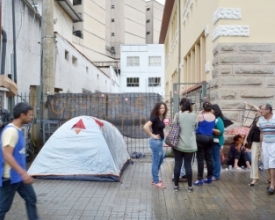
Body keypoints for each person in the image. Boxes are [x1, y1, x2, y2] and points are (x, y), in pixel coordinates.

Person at [0, 102, 39, 219]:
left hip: (19, 177)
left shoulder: (17, 130)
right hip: (10, 177)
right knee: (2, 208)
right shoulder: (11, 131)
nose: (31, 117)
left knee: (31, 198)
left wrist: (23, 174)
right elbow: (7, 155)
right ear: (22, 115)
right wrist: (23, 173)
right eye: (30, 114)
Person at [172, 98, 197, 192]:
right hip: (190, 145)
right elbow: (195, 127)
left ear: (181, 105)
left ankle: (176, 186)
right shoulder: (194, 115)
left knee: (177, 165)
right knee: (188, 166)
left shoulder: (177, 115)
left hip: (178, 144)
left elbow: (174, 125)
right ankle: (190, 187)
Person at [144, 102, 168, 189]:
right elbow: (145, 127)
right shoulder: (154, 117)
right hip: (155, 142)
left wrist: (162, 133)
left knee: (161, 158)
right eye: (161, 108)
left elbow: (158, 128)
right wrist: (152, 135)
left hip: (159, 141)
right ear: (157, 108)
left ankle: (155, 178)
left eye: (164, 108)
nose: (163, 109)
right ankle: (156, 181)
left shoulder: (160, 117)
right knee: (156, 161)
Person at [194, 102, 216, 186]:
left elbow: (196, 123)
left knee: (200, 159)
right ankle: (209, 177)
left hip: (201, 137)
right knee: (209, 158)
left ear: (203, 108)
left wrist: (200, 113)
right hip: (210, 137)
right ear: (210, 108)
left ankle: (200, 179)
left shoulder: (201, 116)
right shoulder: (213, 116)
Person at [258, 103, 275, 195]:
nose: (261, 110)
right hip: (265, 143)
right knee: (267, 163)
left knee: (273, 163)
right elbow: (261, 132)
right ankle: (273, 182)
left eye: (263, 109)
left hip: (274, 143)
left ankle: (272, 185)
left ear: (268, 110)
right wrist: (261, 144)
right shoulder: (261, 119)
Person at [243, 107, 262, 186]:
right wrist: (245, 139)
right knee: (254, 159)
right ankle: (255, 178)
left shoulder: (265, 120)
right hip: (254, 142)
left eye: (258, 111)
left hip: (263, 143)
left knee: (265, 160)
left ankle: (270, 178)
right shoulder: (255, 119)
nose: (256, 112)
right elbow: (250, 129)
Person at [211, 104, 225, 181]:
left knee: (216, 158)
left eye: (211, 109)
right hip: (212, 141)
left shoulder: (219, 120)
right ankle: (213, 173)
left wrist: (211, 129)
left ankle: (216, 175)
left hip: (217, 141)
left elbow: (220, 131)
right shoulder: (213, 119)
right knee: (213, 158)